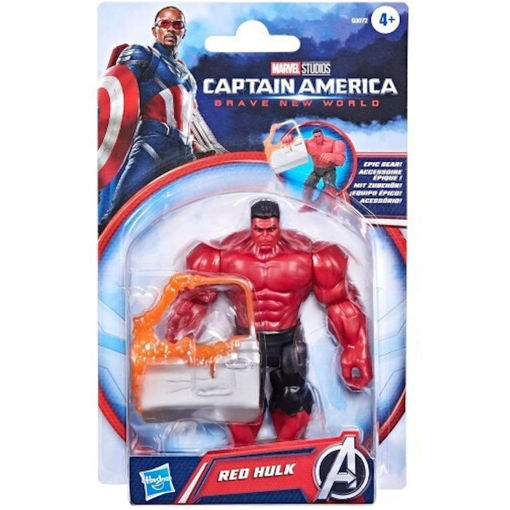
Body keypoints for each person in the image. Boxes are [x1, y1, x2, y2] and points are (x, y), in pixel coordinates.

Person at [166, 200, 372, 444]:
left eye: (271, 229)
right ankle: (242, 457)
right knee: (242, 404)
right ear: (252, 225)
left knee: (293, 401)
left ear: (278, 225)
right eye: (259, 230)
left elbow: (341, 304)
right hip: (245, 341)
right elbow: (194, 303)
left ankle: (289, 453)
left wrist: (355, 347)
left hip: (287, 341)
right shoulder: (222, 255)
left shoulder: (309, 256)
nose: (265, 236)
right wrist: (175, 346)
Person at [99, 5, 224, 231]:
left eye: (177, 24)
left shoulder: (186, 75)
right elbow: (116, 94)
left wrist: (200, 149)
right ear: (154, 29)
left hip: (184, 151)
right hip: (153, 144)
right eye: (165, 24)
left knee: (182, 218)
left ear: (183, 31)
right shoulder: (143, 56)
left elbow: (189, 117)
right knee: (121, 211)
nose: (171, 29)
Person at [303, 128, 346, 203]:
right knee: (307, 186)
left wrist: (334, 157)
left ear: (323, 135)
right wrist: (288, 140)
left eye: (319, 136)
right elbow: (293, 146)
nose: (317, 138)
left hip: (328, 170)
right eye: (315, 137)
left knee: (329, 190)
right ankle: (307, 204)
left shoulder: (333, 143)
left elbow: (341, 161)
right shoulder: (308, 143)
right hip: (316, 170)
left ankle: (330, 207)